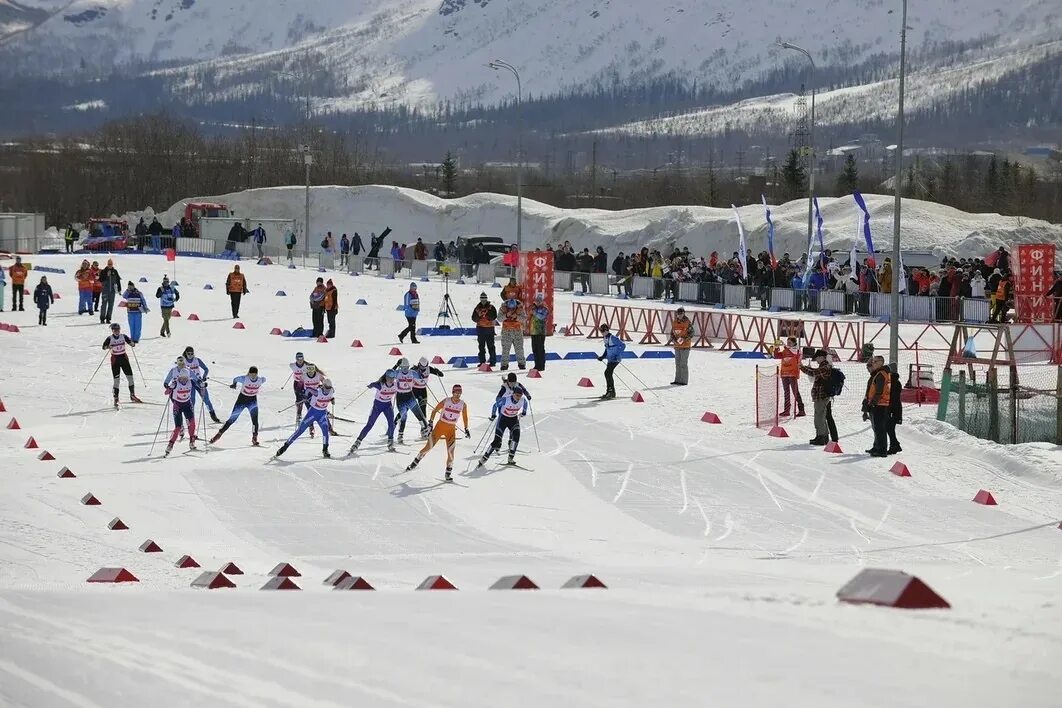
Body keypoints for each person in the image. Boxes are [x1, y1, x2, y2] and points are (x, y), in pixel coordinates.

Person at [406, 384, 470, 482]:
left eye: (459, 393)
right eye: (456, 393)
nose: (458, 396)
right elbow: (435, 410)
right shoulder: (446, 401)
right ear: (453, 393)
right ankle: (415, 462)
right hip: (439, 427)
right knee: (428, 447)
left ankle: (448, 474)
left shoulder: (463, 404)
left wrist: (466, 428)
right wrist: (431, 423)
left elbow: (465, 417)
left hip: (451, 430)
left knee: (451, 453)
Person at [276, 378, 335, 459]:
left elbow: (330, 395)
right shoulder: (317, 392)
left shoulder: (331, 390)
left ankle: (325, 450)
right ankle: (284, 447)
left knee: (325, 431)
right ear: (323, 387)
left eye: (329, 388)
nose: (328, 390)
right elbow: (308, 389)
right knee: (300, 431)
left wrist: (332, 399)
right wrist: (305, 396)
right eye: (326, 388)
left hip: (322, 414)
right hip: (312, 414)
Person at [210, 367, 265, 446]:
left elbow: (264, 379)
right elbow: (235, 379)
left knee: (255, 420)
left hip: (252, 401)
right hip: (242, 400)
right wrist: (234, 384)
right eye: (251, 374)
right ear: (249, 373)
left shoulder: (260, 380)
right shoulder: (244, 379)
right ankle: (219, 434)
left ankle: (254, 437)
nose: (253, 376)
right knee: (232, 419)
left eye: (255, 374)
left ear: (257, 374)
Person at [350, 370, 399, 453]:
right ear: (386, 377)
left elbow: (404, 387)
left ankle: (390, 442)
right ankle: (357, 442)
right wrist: (370, 385)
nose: (391, 380)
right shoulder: (380, 385)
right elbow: (373, 384)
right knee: (370, 424)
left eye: (393, 378)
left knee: (391, 424)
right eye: (390, 378)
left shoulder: (395, 385)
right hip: (378, 406)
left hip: (387, 406)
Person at [479, 386, 528, 467]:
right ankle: (484, 457)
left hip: (513, 420)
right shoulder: (506, 400)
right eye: (517, 395)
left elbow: (525, 403)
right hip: (503, 420)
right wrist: (493, 415)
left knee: (516, 436)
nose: (518, 398)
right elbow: (495, 405)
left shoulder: (522, 400)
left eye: (520, 395)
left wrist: (524, 412)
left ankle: (510, 458)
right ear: (513, 394)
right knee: (497, 440)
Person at [163, 367, 204, 456]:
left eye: (186, 378)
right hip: (177, 405)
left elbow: (199, 387)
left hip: (187, 405)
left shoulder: (190, 381)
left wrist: (202, 388)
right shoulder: (175, 383)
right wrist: (170, 388)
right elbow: (166, 393)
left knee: (192, 423)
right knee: (178, 427)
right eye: (182, 378)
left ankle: (192, 442)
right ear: (179, 377)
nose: (184, 380)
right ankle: (170, 445)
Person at [800, 349, 837, 446]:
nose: (816, 359)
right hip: (821, 396)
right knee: (821, 416)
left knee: (819, 417)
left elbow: (813, 373)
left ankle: (821, 437)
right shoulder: (824, 366)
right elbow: (814, 371)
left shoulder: (825, 367)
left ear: (822, 357)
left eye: (817, 357)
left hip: (822, 396)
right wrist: (804, 367)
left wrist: (801, 368)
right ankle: (823, 436)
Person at [179, 345, 223, 424]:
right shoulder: (183, 361)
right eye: (188, 354)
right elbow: (179, 372)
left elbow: (206, 369)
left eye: (192, 354)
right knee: (192, 401)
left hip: (198, 381)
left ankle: (213, 415)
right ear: (185, 353)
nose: (190, 355)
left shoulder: (197, 360)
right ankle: (190, 418)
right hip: (189, 382)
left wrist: (204, 377)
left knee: (206, 399)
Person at [102, 322, 140, 408]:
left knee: (130, 377)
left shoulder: (123, 336)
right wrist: (109, 347)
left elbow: (131, 343)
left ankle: (132, 395)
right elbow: (103, 347)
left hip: (124, 359)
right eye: (115, 330)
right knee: (117, 380)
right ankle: (116, 397)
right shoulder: (110, 338)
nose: (117, 331)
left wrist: (132, 344)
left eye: (118, 329)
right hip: (115, 360)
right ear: (112, 331)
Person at [394, 358, 430, 443]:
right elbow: (388, 374)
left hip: (410, 396)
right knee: (404, 415)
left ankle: (426, 430)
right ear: (400, 367)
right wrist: (396, 365)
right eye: (403, 367)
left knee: (419, 414)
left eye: (406, 367)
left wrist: (419, 371)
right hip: (400, 397)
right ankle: (400, 434)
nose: (405, 369)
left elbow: (421, 376)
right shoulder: (397, 373)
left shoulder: (412, 372)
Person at [863, 356, 891, 457]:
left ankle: (882, 450)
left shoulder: (881, 374)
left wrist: (873, 402)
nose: (873, 363)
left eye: (875, 362)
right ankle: (876, 446)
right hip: (877, 403)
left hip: (880, 404)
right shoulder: (877, 374)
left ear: (880, 363)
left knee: (880, 428)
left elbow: (880, 391)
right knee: (876, 427)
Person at [774, 336, 806, 417]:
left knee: (795, 391)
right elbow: (777, 356)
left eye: (790, 342)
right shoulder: (786, 350)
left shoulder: (797, 350)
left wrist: (785, 346)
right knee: (786, 392)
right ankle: (786, 410)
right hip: (784, 373)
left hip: (792, 373)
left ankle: (801, 410)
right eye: (787, 342)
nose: (788, 344)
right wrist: (776, 347)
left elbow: (795, 354)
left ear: (794, 343)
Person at [596, 323, 626, 400]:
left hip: (615, 359)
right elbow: (607, 349)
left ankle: (611, 391)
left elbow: (623, 345)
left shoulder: (613, 338)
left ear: (606, 330)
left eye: (602, 331)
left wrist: (617, 354)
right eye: (601, 331)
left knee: (607, 373)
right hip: (610, 359)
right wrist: (602, 357)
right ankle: (610, 391)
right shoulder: (605, 338)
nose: (602, 333)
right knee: (608, 373)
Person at [668, 306, 694, 385]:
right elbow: (672, 333)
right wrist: (674, 339)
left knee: (683, 363)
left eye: (681, 314)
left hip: (685, 346)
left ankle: (684, 381)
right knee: (678, 364)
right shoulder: (675, 322)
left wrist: (684, 339)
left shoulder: (687, 322)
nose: (679, 315)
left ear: (684, 314)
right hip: (677, 346)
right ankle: (677, 380)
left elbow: (691, 333)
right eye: (678, 314)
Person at [499, 298, 526, 370]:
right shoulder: (503, 308)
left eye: (513, 308)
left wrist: (516, 317)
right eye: (510, 308)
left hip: (517, 331)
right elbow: (499, 318)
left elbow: (524, 318)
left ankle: (521, 364)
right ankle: (504, 365)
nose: (511, 310)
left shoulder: (520, 308)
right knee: (505, 349)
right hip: (506, 331)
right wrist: (506, 315)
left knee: (519, 349)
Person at [472, 292, 498, 366]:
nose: (483, 300)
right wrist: (479, 316)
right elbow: (473, 318)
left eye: (485, 298)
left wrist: (486, 314)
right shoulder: (477, 308)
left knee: (491, 346)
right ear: (480, 299)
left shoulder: (491, 307)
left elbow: (494, 316)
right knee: (481, 347)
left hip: (489, 329)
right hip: (481, 329)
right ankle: (482, 362)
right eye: (482, 298)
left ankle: (493, 362)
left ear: (487, 299)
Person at [289, 353, 311, 425]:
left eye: (301, 359)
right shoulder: (292, 366)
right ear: (296, 359)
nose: (300, 360)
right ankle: (299, 415)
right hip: (297, 384)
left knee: (308, 399)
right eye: (298, 359)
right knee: (299, 400)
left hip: (305, 384)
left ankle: (312, 414)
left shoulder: (307, 366)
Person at [529, 293, 549, 372]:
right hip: (534, 331)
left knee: (540, 349)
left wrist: (534, 312)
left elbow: (541, 317)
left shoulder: (544, 309)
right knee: (535, 349)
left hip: (540, 332)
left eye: (539, 300)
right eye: (537, 300)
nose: (538, 302)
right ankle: (536, 365)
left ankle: (541, 365)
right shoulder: (533, 308)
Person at [886, 361, 903, 455]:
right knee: (889, 428)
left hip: (894, 409)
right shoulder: (892, 382)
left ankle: (894, 446)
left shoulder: (894, 383)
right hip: (893, 408)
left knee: (890, 428)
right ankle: (895, 445)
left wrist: (890, 409)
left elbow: (894, 398)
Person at [98, 259, 121, 324]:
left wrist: (119, 289)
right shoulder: (103, 271)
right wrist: (106, 275)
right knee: (104, 305)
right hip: (105, 291)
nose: (110, 265)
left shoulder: (115, 271)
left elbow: (118, 281)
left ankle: (108, 318)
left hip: (112, 291)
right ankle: (102, 318)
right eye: (109, 264)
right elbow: (100, 280)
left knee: (111, 305)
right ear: (107, 264)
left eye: (111, 264)